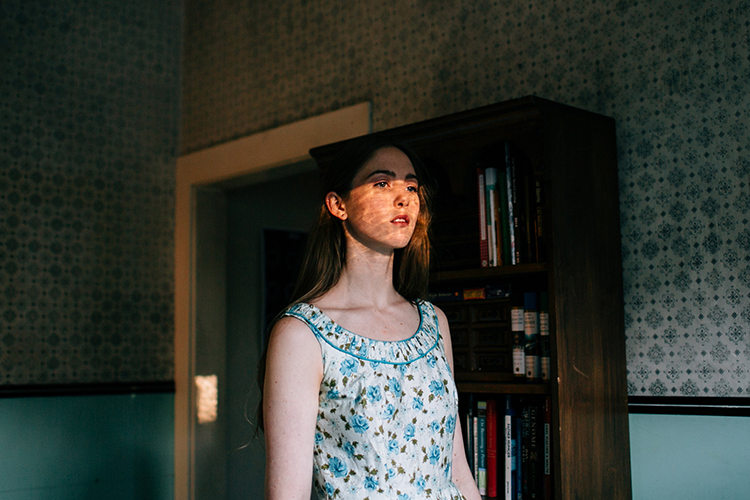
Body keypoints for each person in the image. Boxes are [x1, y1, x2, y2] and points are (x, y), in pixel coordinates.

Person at [261, 134, 481, 500]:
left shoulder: (434, 323)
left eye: (411, 186)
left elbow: (457, 471)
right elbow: (288, 494)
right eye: (382, 183)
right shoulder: (302, 334)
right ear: (338, 205)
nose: (404, 197)